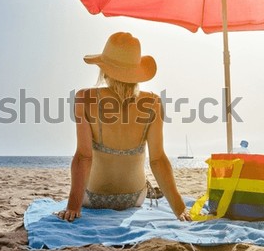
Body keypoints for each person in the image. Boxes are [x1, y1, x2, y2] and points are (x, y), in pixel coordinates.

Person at [57, 32, 190, 222]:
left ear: (103, 69)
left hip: (93, 197)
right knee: (146, 175)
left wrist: (73, 207)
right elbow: (158, 160)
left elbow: (83, 157)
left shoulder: (84, 98)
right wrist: (180, 208)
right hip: (134, 198)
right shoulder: (152, 102)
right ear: (136, 71)